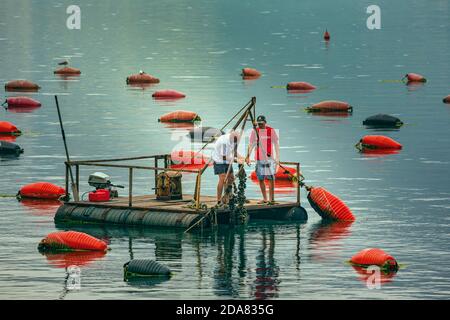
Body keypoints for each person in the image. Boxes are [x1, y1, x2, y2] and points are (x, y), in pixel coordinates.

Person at [246, 115, 280, 204]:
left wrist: (277, 157)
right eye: (259, 124)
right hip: (258, 158)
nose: (260, 125)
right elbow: (251, 144)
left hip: (269, 158)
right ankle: (265, 198)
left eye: (261, 123)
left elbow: (276, 144)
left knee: (271, 178)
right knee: (261, 179)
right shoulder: (255, 131)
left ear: (265, 122)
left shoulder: (271, 130)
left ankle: (271, 199)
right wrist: (247, 156)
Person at [212, 130, 244, 205]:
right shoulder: (224, 142)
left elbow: (234, 152)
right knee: (222, 179)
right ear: (232, 137)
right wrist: (237, 160)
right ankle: (219, 200)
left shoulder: (234, 140)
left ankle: (228, 196)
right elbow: (224, 157)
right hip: (219, 161)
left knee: (231, 178)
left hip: (228, 160)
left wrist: (243, 158)